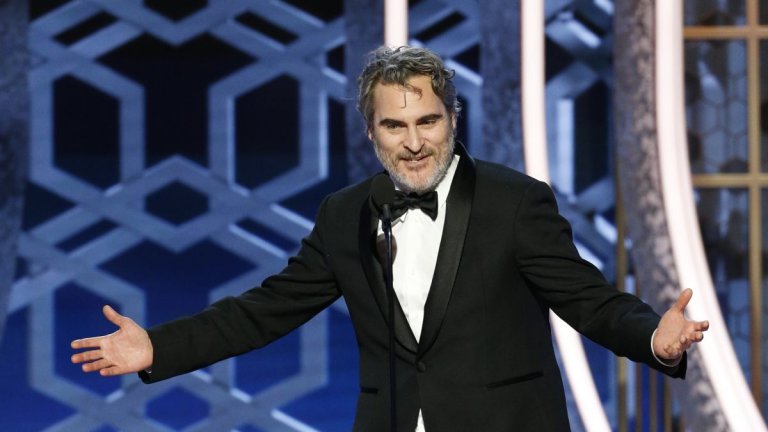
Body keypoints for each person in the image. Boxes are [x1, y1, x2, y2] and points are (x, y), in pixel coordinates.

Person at [71, 46, 709, 431]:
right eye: (395, 126)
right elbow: (264, 311)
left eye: (428, 121)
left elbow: (587, 298)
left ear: (453, 119)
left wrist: (652, 338)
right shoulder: (345, 214)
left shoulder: (514, 201)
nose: (414, 142)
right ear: (370, 132)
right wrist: (157, 347)